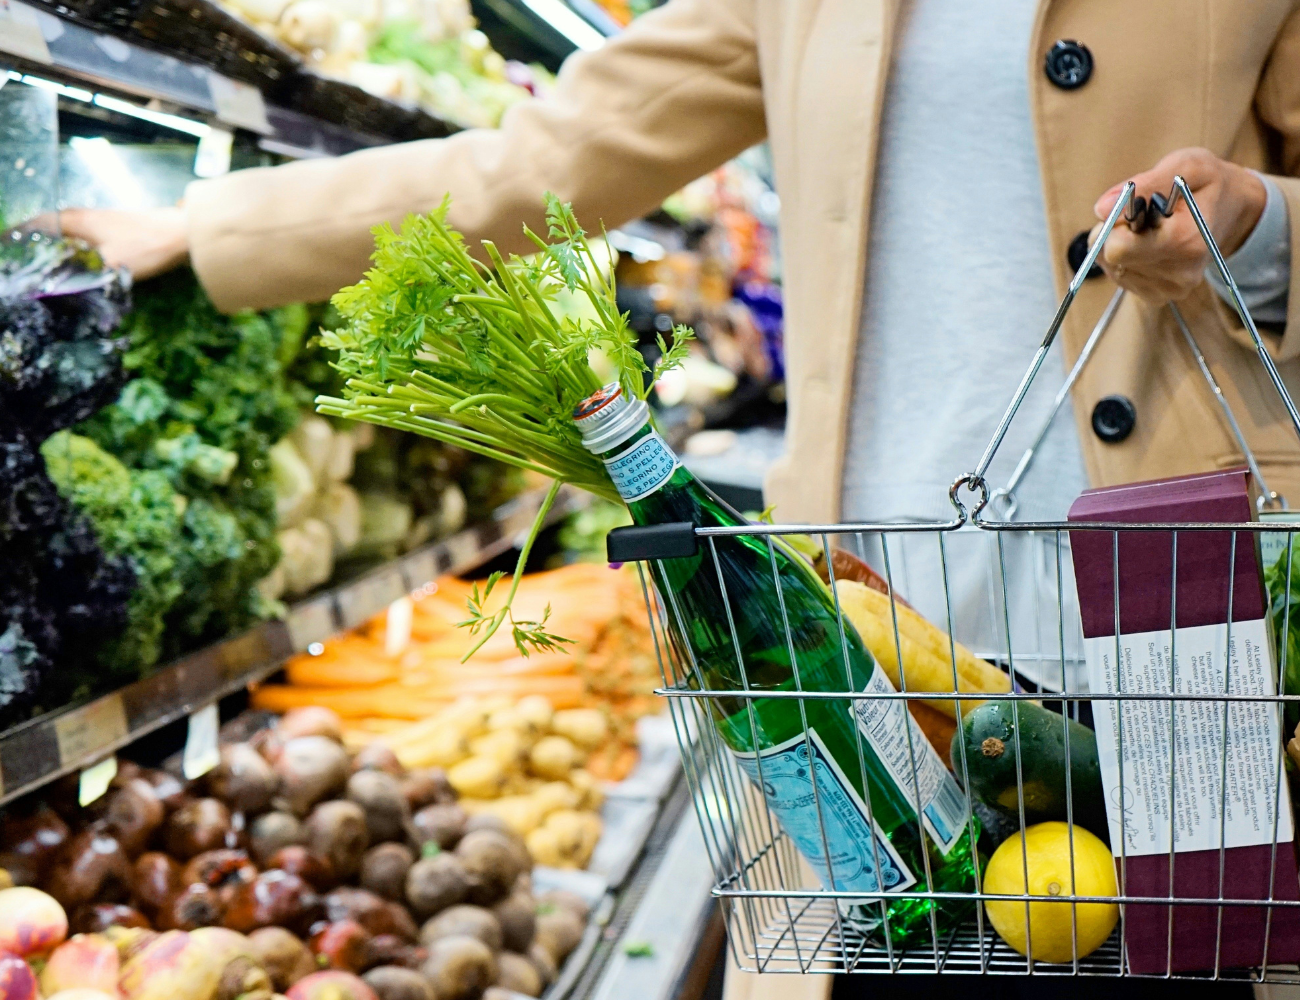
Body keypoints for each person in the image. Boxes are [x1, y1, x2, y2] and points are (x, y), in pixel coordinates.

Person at [57, 1, 1300, 997]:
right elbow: (538, 166)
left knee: (1193, 949)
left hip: (1175, 589)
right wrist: (206, 226)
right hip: (868, 599)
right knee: (911, 944)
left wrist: (1257, 233)